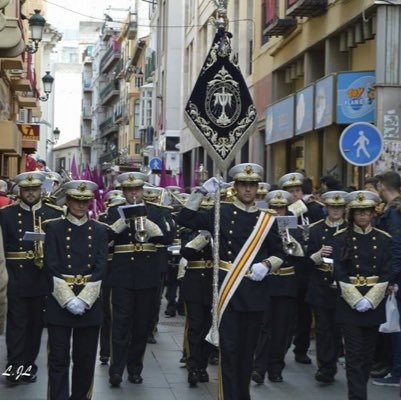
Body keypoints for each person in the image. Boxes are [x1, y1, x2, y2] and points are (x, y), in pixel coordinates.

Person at [176, 163, 285, 400]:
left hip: (255, 292)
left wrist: (266, 265)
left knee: (248, 354)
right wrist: (201, 192)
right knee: (230, 351)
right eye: (243, 185)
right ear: (235, 187)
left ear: (257, 188)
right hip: (228, 291)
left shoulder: (267, 219)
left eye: (252, 185)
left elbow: (280, 253)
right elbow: (184, 218)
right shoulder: (220, 212)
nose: (248, 189)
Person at [107, 172, 174, 387]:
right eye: (128, 190)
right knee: (120, 325)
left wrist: (153, 227)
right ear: (124, 192)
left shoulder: (156, 211)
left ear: (143, 190)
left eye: (136, 189)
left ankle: (135, 368)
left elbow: (170, 238)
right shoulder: (112, 212)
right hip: (122, 275)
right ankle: (116, 370)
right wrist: (119, 224)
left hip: (147, 275)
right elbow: (102, 239)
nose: (133, 193)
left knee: (141, 325)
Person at [43, 180, 108, 399]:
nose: (81, 206)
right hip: (60, 300)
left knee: (86, 358)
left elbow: (101, 267)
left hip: (88, 301)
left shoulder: (99, 230)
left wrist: (85, 299)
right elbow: (50, 265)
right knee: (58, 358)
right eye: (76, 201)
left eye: (85, 201)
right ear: (68, 201)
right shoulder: (53, 227)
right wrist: (68, 299)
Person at [0, 172, 64, 384]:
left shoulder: (52, 213)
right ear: (19, 191)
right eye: (26, 190)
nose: (30, 193)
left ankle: (29, 366)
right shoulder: (6, 214)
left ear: (40, 190)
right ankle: (14, 366)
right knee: (16, 324)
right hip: (15, 275)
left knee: (35, 325)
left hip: (40, 276)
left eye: (34, 189)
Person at [333, 190, 391, 399]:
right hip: (350, 302)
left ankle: (360, 390)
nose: (363, 217)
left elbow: (387, 271)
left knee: (367, 355)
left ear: (373, 214)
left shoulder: (383, 239)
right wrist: (356, 299)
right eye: (359, 213)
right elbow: (338, 271)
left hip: (374, 302)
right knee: (355, 355)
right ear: (352, 215)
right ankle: (357, 396)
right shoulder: (341, 238)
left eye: (366, 212)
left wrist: (371, 298)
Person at [252, 189, 303, 384]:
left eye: (282, 208)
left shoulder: (294, 225)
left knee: (282, 329)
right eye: (275, 208)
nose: (278, 212)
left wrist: (288, 235)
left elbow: (300, 255)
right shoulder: (261, 226)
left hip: (286, 283)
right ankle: (259, 368)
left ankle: (276, 368)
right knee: (263, 328)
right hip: (267, 281)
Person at [278, 172, 325, 365]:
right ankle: (279, 352)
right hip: (288, 267)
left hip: (308, 268)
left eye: (297, 190)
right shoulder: (281, 210)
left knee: (305, 314)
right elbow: (285, 238)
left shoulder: (312, 209)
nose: (295, 194)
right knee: (286, 315)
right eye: (290, 191)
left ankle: (301, 349)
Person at [307, 190, 348, 384]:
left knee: (337, 327)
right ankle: (326, 367)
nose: (336, 211)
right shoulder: (316, 229)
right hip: (320, 285)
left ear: (344, 209)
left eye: (339, 207)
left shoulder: (350, 229)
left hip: (342, 287)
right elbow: (305, 260)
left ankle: (335, 359)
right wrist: (317, 254)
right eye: (332, 207)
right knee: (323, 329)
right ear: (327, 208)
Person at [180, 195, 214, 387]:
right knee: (194, 327)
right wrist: (203, 238)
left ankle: (202, 366)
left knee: (209, 327)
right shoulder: (189, 229)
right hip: (193, 281)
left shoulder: (220, 229)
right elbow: (186, 252)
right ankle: (192, 366)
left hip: (212, 282)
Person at [371, 171, 401, 386]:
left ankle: (398, 373)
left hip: (398, 277)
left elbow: (395, 248)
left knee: (397, 326)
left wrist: (391, 279)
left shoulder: (393, 213)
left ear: (381, 186)